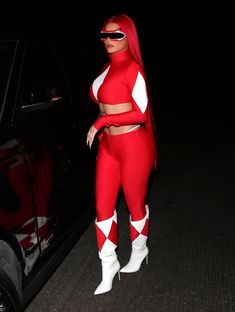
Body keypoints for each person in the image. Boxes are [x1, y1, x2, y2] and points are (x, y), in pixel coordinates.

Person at [86, 14, 158, 295]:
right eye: (104, 34)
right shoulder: (105, 69)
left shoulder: (133, 70)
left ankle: (140, 251)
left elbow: (140, 114)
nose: (108, 40)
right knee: (103, 207)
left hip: (133, 146)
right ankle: (109, 265)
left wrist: (102, 122)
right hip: (108, 147)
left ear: (128, 37)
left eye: (115, 35)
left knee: (134, 204)